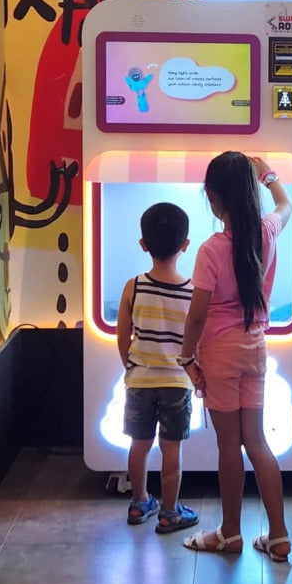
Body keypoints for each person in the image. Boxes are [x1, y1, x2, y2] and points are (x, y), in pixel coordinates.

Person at [178, 151, 292, 562]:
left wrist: (187, 359)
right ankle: (278, 536)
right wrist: (269, 174)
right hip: (255, 348)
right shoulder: (266, 232)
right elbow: (287, 205)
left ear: (213, 197)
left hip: (219, 353)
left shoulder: (211, 250)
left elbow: (197, 315)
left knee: (230, 445)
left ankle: (230, 534)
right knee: (257, 441)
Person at [116, 202, 200, 533]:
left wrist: (132, 367)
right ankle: (169, 512)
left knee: (139, 444)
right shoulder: (194, 292)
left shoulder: (133, 286)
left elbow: (123, 335)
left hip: (139, 380)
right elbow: (196, 341)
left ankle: (139, 502)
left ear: (143, 244)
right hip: (177, 383)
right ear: (185, 245)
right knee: (171, 448)